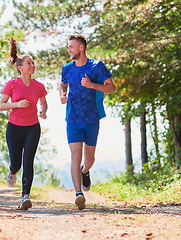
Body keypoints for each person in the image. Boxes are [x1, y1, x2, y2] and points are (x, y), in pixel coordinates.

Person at [59, 34, 115, 210]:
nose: (69, 49)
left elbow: (111, 88)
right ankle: (78, 194)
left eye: (71, 47)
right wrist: (62, 93)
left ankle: (85, 171)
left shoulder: (96, 66)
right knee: (75, 155)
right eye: (68, 47)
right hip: (73, 119)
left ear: (81, 48)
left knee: (89, 159)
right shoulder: (67, 68)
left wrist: (92, 85)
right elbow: (62, 84)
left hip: (91, 119)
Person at [0, 37, 48, 210]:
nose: (32, 65)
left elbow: (43, 102)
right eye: (29, 63)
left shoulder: (39, 86)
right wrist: (17, 104)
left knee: (28, 161)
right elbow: (1, 106)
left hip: (32, 128)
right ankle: (12, 172)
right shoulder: (11, 84)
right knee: (17, 163)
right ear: (20, 68)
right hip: (14, 128)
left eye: (33, 63)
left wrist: (43, 111)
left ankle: (25, 196)